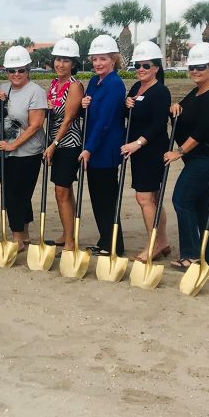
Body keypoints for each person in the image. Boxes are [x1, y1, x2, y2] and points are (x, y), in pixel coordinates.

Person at [163, 42, 209, 270]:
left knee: (181, 199)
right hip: (196, 158)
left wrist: (179, 152)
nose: (195, 71)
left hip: (207, 158)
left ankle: (191, 254)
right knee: (202, 205)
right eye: (191, 67)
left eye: (200, 67)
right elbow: (181, 109)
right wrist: (174, 107)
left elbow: (202, 131)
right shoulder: (197, 91)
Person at [120, 41, 172, 261]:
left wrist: (137, 143)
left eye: (146, 65)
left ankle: (153, 245)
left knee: (144, 198)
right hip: (139, 150)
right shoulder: (135, 87)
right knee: (154, 197)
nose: (141, 69)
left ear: (156, 68)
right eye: (138, 65)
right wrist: (126, 103)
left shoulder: (160, 91)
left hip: (151, 149)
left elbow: (159, 123)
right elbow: (131, 115)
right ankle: (163, 241)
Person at [0, 46, 48, 252]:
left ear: (28, 70)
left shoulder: (36, 91)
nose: (16, 74)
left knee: (17, 195)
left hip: (27, 152)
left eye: (21, 70)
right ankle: (24, 233)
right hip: (4, 151)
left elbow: (35, 125)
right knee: (13, 193)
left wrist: (13, 145)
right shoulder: (3, 88)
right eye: (11, 70)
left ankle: (16, 236)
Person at [80, 34, 126, 257]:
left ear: (113, 60)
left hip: (105, 150)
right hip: (93, 147)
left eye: (103, 59)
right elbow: (88, 111)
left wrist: (88, 148)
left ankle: (114, 244)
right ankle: (105, 239)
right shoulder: (93, 82)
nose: (98, 63)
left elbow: (105, 122)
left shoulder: (115, 84)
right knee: (97, 198)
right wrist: (83, 103)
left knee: (106, 199)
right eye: (95, 59)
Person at [43, 38, 84, 251]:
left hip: (68, 143)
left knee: (62, 190)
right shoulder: (53, 84)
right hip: (54, 142)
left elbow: (68, 118)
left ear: (73, 64)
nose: (61, 64)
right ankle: (68, 233)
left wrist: (54, 144)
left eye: (66, 60)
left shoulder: (75, 86)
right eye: (58, 59)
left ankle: (70, 241)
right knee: (62, 191)